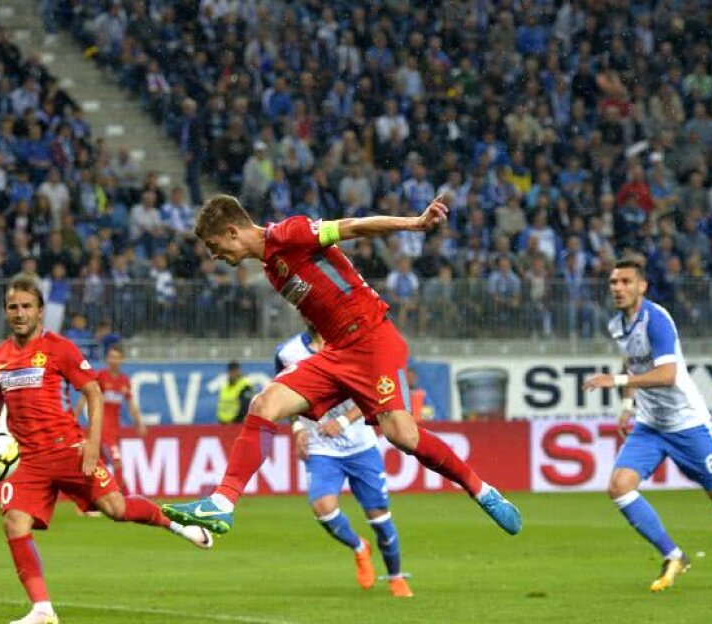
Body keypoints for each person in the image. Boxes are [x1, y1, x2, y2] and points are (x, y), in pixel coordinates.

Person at [162, 194, 522, 536]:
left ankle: (482, 490)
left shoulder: (288, 233)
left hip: (372, 340)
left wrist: (413, 224)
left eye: (213, 246)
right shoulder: (271, 267)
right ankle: (221, 502)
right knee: (264, 404)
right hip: (336, 352)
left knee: (402, 435)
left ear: (232, 232)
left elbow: (354, 226)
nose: (214, 255)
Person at [0, 274, 212, 624]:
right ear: (6, 311)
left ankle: (176, 523)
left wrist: (92, 444)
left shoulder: (60, 348)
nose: (19, 313)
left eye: (26, 306)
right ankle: (42, 608)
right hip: (26, 460)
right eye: (13, 307)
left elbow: (93, 392)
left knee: (116, 508)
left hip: (67, 450)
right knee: (14, 523)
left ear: (40, 311)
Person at [583, 259, 712, 592]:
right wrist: (627, 406)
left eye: (626, 281)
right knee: (619, 486)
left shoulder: (656, 320)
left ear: (642, 286)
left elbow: (667, 375)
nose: (618, 288)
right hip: (650, 425)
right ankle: (674, 555)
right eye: (614, 282)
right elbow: (632, 362)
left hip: (687, 424)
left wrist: (615, 381)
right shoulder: (617, 325)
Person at [278, 325, 412, 597]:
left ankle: (396, 577)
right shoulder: (287, 353)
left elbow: (374, 393)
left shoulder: (356, 347)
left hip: (361, 445)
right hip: (320, 446)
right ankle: (359, 547)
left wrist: (342, 420)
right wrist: (297, 428)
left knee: (379, 516)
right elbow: (283, 394)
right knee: (322, 506)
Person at [74, 343, 147, 496]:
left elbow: (131, 404)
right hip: (101, 429)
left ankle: (90, 501)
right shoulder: (101, 376)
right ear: (107, 359)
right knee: (117, 462)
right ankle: (124, 497)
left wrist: (139, 422)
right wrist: (74, 418)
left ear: (122, 360)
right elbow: (85, 397)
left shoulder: (124, 381)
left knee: (96, 467)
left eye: (117, 357)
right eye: (111, 357)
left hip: (114, 430)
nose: (113, 360)